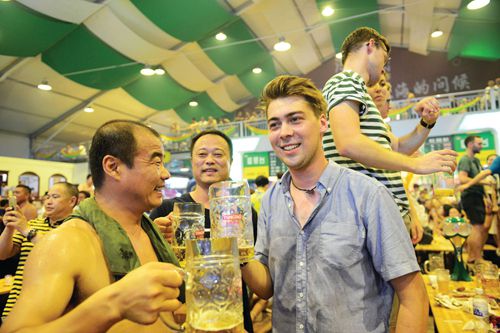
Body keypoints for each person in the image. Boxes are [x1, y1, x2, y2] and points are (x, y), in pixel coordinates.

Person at [242, 75, 428, 332]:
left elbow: (413, 295)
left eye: (295, 119)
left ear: (322, 123)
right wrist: (235, 248)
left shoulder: (367, 195)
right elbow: (267, 287)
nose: (284, 132)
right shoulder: (271, 201)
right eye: (275, 124)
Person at [0, 120, 183, 333]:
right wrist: (113, 304)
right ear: (113, 167)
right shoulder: (65, 242)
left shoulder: (150, 232)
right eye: (156, 162)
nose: (166, 174)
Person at [321, 27, 457, 245]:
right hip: (369, 215)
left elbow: (398, 148)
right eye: (385, 57)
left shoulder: (360, 93)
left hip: (381, 213)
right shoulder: (346, 81)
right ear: (371, 45)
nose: (384, 67)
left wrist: (425, 122)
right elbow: (348, 143)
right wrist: (416, 165)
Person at [149, 129, 257, 333]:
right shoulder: (168, 210)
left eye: (218, 154)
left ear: (230, 161)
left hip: (233, 319)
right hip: (182, 319)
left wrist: (241, 252)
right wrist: (156, 236)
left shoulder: (243, 211)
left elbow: (257, 277)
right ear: (192, 161)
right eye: (202, 154)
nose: (209, 160)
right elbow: (148, 269)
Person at [0, 182, 78, 318]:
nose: (48, 201)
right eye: (47, 197)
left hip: (48, 309)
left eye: (55, 197)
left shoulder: (77, 227)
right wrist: (10, 227)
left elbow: (59, 255)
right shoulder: (34, 224)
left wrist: (26, 230)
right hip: (16, 304)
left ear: (72, 201)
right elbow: (2, 254)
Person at [457, 135, 488, 263]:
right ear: (470, 144)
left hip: (477, 196)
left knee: (479, 227)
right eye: (479, 143)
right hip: (470, 196)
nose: (481, 146)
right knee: (475, 227)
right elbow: (462, 178)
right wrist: (484, 183)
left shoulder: (475, 161)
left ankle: (475, 256)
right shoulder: (465, 160)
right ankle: (475, 257)